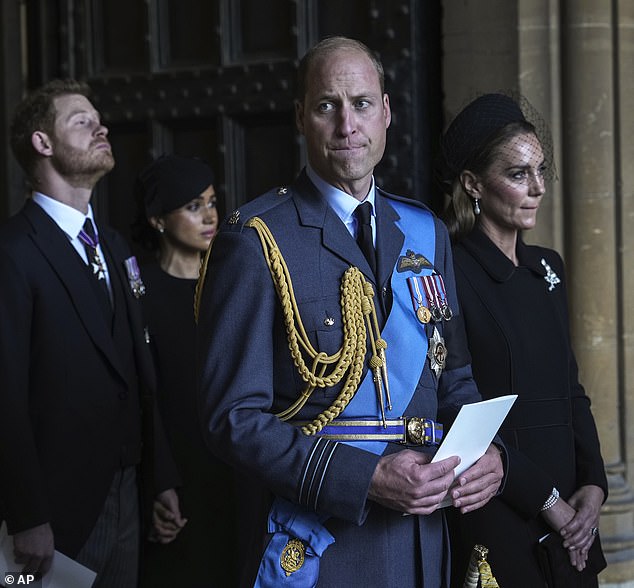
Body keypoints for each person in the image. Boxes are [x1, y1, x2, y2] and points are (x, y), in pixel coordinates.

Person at [196, 36, 504, 587]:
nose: (347, 125)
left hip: (421, 540)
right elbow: (232, 419)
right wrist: (363, 478)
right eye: (326, 106)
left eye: (362, 104)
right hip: (322, 545)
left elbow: (454, 379)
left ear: (386, 112)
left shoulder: (425, 231)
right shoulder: (258, 239)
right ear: (300, 117)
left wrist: (490, 455)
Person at [0, 79, 184, 587]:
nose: (100, 126)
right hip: (54, 512)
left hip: (129, 493)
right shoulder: (13, 252)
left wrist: (160, 478)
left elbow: (139, 370)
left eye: (98, 118)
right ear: (42, 143)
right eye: (81, 121)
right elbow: (5, 394)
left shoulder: (116, 245)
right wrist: (26, 515)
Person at [436, 93, 608, 586]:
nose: (537, 189)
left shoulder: (546, 267)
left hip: (573, 516)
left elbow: (571, 389)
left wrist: (593, 484)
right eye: (517, 175)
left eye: (540, 170)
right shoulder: (448, 270)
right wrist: (545, 501)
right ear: (473, 184)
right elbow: (456, 406)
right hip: (500, 508)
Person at [132, 154, 237, 587]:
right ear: (158, 220)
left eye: (211, 202)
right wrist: (159, 482)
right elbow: (142, 394)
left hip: (233, 468)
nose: (210, 215)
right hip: (171, 471)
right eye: (194, 206)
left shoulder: (233, 281)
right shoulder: (138, 292)